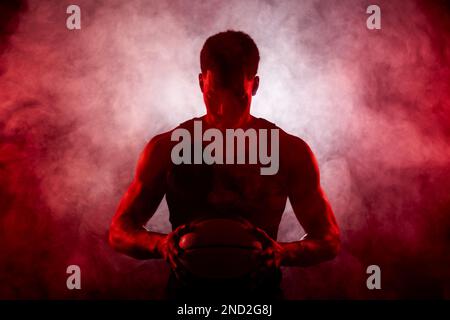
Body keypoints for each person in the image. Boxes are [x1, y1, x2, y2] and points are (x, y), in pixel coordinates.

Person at [108, 30, 340, 299]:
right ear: (200, 83)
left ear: (254, 85)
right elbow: (119, 231)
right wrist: (161, 245)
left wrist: (281, 252)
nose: (223, 110)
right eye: (214, 96)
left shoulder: (288, 150)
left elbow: (329, 239)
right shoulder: (167, 148)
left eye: (238, 97)